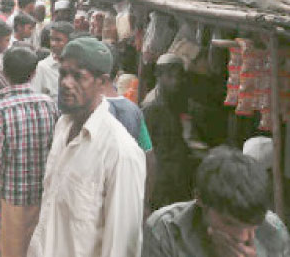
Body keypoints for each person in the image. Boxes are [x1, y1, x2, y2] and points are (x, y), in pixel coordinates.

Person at [29, 37, 146, 257]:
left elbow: (121, 247)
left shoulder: (121, 152)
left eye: (78, 76)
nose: (66, 83)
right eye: (63, 74)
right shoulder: (63, 127)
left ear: (102, 83)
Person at [143, 146, 290, 256]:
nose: (242, 236)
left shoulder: (274, 231)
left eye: (252, 226)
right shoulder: (165, 230)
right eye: (229, 223)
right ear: (199, 200)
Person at [0, 47, 58, 257]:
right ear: (34, 72)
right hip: (43, 193)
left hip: (12, 196)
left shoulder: (0, 109)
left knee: (12, 250)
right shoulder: (49, 104)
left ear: (4, 73)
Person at [142, 53, 193, 211]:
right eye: (170, 77)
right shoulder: (152, 106)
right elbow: (145, 148)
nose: (175, 82)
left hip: (174, 174)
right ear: (159, 76)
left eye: (178, 77)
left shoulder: (173, 98)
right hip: (161, 178)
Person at [32, 21, 73, 103]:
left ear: (70, 42)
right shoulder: (42, 67)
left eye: (58, 40)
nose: (53, 44)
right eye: (52, 39)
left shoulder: (77, 66)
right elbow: (35, 97)